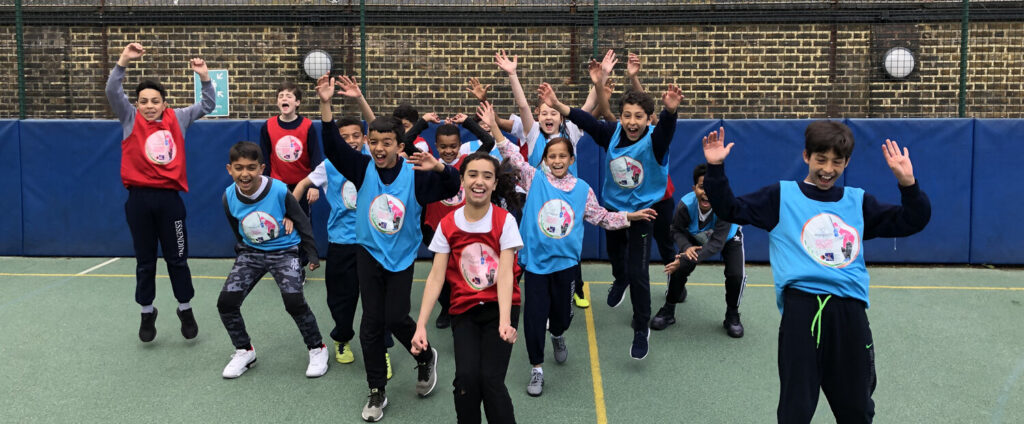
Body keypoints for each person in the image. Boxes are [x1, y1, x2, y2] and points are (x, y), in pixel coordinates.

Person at [701, 122, 931, 423]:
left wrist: (908, 185)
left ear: (846, 163)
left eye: (837, 161)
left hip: (850, 314)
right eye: (821, 159)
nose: (828, 168)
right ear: (806, 156)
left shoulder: (857, 202)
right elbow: (729, 208)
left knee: (857, 409)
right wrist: (715, 169)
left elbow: (913, 220)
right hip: (802, 312)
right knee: (796, 409)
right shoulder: (781, 197)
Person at [481, 101, 655, 395]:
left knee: (560, 318)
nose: (557, 160)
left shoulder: (582, 190)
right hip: (535, 264)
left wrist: (629, 216)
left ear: (571, 159)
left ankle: (558, 334)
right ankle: (537, 367)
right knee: (534, 319)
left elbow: (601, 217)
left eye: (563, 156)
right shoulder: (534, 178)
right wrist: (495, 126)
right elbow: (508, 151)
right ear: (546, 160)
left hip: (566, 267)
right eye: (552, 156)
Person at [317, 75, 460, 422]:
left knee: (396, 316)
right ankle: (377, 391)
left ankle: (426, 358)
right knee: (371, 321)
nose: (380, 148)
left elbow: (454, 184)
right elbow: (333, 146)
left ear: (400, 145)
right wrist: (326, 104)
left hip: (401, 255)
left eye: (388, 142)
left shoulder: (416, 174)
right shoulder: (362, 167)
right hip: (367, 251)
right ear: (368, 143)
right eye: (375, 141)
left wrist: (438, 165)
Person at [538, 69, 683, 360]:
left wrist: (670, 111)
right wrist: (557, 103)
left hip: (643, 213)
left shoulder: (655, 141)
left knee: (639, 271)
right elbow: (587, 121)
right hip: (615, 209)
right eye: (627, 115)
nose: (631, 122)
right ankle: (620, 279)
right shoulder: (613, 134)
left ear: (647, 119)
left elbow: (666, 130)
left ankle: (641, 328)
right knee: (618, 260)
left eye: (639, 116)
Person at [105, 42, 214, 343]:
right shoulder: (130, 119)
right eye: (143, 101)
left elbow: (208, 105)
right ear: (136, 104)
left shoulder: (178, 119)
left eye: (155, 101)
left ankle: (185, 308)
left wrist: (204, 77)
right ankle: (146, 312)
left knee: (177, 259)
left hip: (170, 202)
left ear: (165, 104)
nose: (149, 105)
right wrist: (123, 60)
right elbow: (113, 92)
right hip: (139, 201)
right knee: (145, 262)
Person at [412, 152, 523, 424]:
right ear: (462, 180)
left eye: (487, 176)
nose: (479, 181)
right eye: (473, 174)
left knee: (491, 381)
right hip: (464, 309)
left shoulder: (504, 220)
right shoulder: (448, 224)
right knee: (467, 380)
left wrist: (506, 322)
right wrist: (421, 325)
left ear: (495, 184)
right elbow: (437, 277)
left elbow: (507, 273)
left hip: (500, 306)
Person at [290, 115, 395, 379]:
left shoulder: (376, 162)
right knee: (342, 299)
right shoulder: (328, 166)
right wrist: (290, 212)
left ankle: (381, 349)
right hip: (341, 243)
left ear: (365, 139)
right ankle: (342, 338)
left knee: (378, 301)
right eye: (344, 137)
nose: (350, 141)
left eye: (355, 136)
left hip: (374, 243)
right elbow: (303, 184)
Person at [217, 141, 328, 379]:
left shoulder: (278, 190)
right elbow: (237, 229)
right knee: (226, 303)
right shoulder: (228, 197)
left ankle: (317, 348)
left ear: (261, 168)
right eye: (238, 168)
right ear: (229, 169)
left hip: (284, 251)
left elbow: (300, 220)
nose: (245, 174)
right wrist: (243, 253)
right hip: (251, 253)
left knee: (294, 302)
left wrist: (312, 253)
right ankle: (244, 350)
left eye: (251, 167)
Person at [651, 164, 746, 338]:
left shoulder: (725, 207)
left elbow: (716, 243)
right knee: (679, 268)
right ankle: (669, 309)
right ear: (694, 188)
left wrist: (685, 258)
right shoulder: (685, 206)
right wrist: (686, 249)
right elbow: (675, 230)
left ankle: (732, 315)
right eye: (702, 187)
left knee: (735, 275)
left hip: (728, 238)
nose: (707, 192)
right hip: (697, 236)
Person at [423, 112, 497, 329]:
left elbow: (489, 141)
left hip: (465, 228)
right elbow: (406, 144)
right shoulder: (429, 163)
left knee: (468, 269)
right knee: (443, 274)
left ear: (459, 145)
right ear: (435, 145)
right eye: (443, 147)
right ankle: (446, 307)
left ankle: (468, 305)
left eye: (453, 146)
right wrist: (423, 122)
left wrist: (467, 122)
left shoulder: (468, 163)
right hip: (437, 228)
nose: (448, 151)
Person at [259, 81, 322, 217]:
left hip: (302, 184)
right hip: (277, 185)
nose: (284, 98)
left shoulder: (307, 126)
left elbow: (316, 158)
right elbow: (264, 159)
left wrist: (314, 185)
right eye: (281, 96)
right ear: (277, 102)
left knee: (302, 223)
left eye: (289, 96)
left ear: (297, 102)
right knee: (279, 221)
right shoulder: (268, 126)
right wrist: (265, 185)